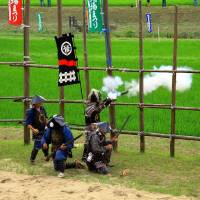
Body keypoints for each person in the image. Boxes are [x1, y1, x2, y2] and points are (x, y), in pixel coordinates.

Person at [82, 89, 112, 161]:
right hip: (90, 127)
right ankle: (86, 156)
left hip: (93, 126)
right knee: (89, 142)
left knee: (92, 141)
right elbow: (97, 109)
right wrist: (106, 103)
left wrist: (106, 100)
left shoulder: (91, 104)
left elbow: (99, 106)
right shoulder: (91, 107)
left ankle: (87, 156)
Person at [26, 95, 49, 164]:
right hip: (37, 132)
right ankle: (32, 159)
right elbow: (28, 124)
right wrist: (33, 129)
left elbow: (46, 118)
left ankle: (46, 156)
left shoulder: (42, 108)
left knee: (45, 143)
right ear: (35, 104)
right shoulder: (31, 112)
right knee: (37, 145)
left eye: (41, 101)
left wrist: (47, 125)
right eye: (40, 102)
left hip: (44, 130)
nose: (41, 103)